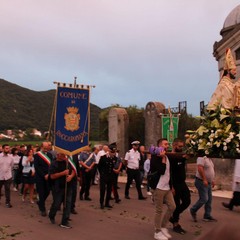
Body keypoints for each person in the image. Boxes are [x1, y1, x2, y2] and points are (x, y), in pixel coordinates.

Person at [150, 138, 176, 240]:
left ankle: (163, 226)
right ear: (160, 145)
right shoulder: (155, 157)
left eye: (167, 144)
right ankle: (157, 232)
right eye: (165, 144)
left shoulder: (166, 156)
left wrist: (172, 186)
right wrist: (163, 159)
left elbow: (169, 173)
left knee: (172, 207)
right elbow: (161, 171)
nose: (167, 146)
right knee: (159, 210)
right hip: (158, 187)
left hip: (167, 187)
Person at [167, 138, 191, 235]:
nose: (181, 148)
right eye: (179, 146)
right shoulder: (171, 157)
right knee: (176, 204)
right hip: (175, 184)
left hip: (182, 183)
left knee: (187, 201)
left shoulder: (181, 156)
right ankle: (175, 224)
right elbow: (169, 173)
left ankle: (173, 217)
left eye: (182, 146)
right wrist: (171, 187)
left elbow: (183, 158)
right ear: (174, 145)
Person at [48, 152, 75, 228]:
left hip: (68, 187)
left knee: (67, 204)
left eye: (64, 155)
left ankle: (64, 222)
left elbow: (73, 170)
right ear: (58, 155)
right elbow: (52, 176)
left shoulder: (67, 162)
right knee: (56, 204)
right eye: (62, 154)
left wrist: (71, 176)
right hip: (58, 187)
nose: (64, 156)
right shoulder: (53, 164)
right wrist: (62, 173)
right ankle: (51, 215)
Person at [190, 156, 217, 222]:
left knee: (209, 200)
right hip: (201, 181)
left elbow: (210, 169)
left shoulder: (209, 158)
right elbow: (200, 168)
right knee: (204, 199)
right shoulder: (201, 157)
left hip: (208, 182)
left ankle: (207, 215)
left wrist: (212, 180)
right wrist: (204, 179)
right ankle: (193, 210)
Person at [34, 141, 53, 216]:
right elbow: (37, 167)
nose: (46, 149)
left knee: (47, 191)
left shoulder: (50, 155)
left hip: (48, 176)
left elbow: (51, 165)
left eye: (47, 147)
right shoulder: (37, 155)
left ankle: (40, 202)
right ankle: (42, 209)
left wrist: (49, 174)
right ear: (41, 147)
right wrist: (43, 175)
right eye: (44, 148)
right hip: (40, 177)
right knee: (41, 193)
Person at [98, 145, 117, 209]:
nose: (113, 154)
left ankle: (107, 203)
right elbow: (99, 166)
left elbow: (113, 166)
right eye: (112, 152)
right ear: (109, 151)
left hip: (110, 176)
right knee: (103, 190)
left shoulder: (114, 158)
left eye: (114, 152)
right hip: (104, 175)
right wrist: (102, 173)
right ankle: (101, 203)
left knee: (109, 190)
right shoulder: (103, 157)